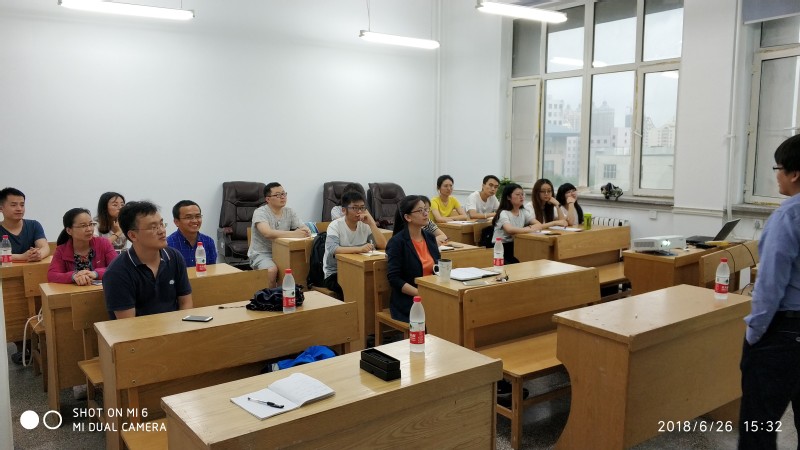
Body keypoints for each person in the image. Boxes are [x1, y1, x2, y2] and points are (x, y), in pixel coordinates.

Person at [739, 134, 800, 449]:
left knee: (758, 426)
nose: (776, 175)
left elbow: (770, 285)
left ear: (794, 173)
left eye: (778, 168)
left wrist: (754, 334)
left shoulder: (789, 215)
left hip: (784, 334)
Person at [102, 201, 193, 319]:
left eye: (161, 224)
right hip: (138, 330)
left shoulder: (174, 257)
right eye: (154, 227)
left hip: (175, 326)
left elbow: (186, 302)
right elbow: (127, 323)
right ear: (133, 235)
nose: (162, 231)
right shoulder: (117, 272)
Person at [385, 195, 441, 322]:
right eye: (420, 210)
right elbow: (394, 279)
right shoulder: (397, 242)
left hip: (431, 293)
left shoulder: (430, 238)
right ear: (408, 217)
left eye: (426, 209)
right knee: (442, 314)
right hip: (409, 300)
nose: (425, 213)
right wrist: (421, 293)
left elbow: (438, 268)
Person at [323, 191, 387, 298]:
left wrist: (371, 223)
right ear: (344, 210)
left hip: (359, 269)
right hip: (335, 273)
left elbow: (383, 245)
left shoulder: (365, 225)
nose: (359, 211)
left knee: (378, 282)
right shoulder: (335, 225)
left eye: (362, 208)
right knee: (355, 286)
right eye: (355, 208)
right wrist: (360, 249)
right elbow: (333, 249)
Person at [248, 182, 311, 287]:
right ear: (268, 199)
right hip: (262, 253)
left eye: (284, 194)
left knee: (298, 267)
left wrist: (305, 231)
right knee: (272, 270)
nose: (282, 197)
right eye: (278, 195)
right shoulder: (260, 212)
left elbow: (303, 227)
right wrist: (294, 234)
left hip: (283, 251)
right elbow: (267, 233)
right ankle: (272, 296)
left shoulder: (289, 211)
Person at [47, 208, 117, 285]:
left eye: (91, 224)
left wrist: (95, 274)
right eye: (83, 226)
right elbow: (52, 275)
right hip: (74, 292)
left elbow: (117, 267)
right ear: (69, 231)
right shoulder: (61, 250)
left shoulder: (103, 243)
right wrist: (74, 276)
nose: (89, 229)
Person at [492, 183, 544, 264]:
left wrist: (528, 228)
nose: (521, 197)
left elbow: (539, 225)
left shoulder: (523, 211)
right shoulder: (503, 213)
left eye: (522, 194)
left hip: (517, 244)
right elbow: (509, 229)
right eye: (518, 194)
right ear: (508, 197)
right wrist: (529, 229)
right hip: (502, 248)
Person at [0, 187, 49, 263]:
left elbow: (45, 247)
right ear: (1, 208)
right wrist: (21, 257)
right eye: (13, 205)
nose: (19, 209)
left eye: (22, 205)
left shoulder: (34, 225)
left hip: (30, 269)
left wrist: (38, 254)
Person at [167, 200, 217, 268]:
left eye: (198, 216)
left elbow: (212, 270)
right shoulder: (168, 244)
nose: (194, 221)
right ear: (176, 222)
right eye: (188, 217)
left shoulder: (208, 241)